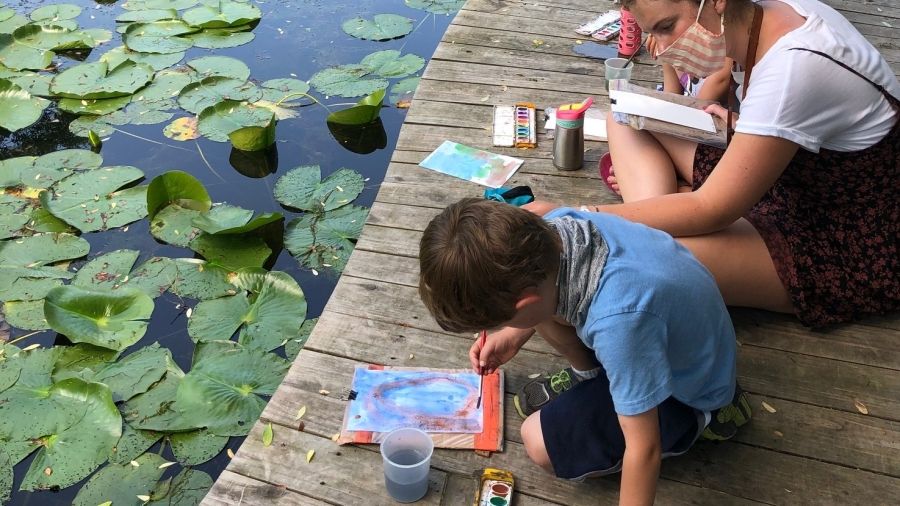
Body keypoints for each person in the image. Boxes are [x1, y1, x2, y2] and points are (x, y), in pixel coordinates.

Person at [533, 0, 899, 327]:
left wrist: (578, 216)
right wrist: (743, 123)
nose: (661, 48)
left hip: (840, 235)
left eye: (666, 27)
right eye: (651, 33)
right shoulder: (772, 12)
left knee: (616, 265)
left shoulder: (795, 66)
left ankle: (656, 229)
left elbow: (712, 209)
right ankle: (660, 220)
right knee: (624, 117)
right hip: (795, 177)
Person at [419, 198, 750, 502]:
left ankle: (705, 422)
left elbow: (644, 449)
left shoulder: (621, 324)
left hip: (688, 393)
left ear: (525, 303)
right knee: (552, 305)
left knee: (537, 441)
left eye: (503, 320)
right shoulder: (556, 227)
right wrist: (512, 333)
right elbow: (545, 299)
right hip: (663, 335)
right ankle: (588, 375)